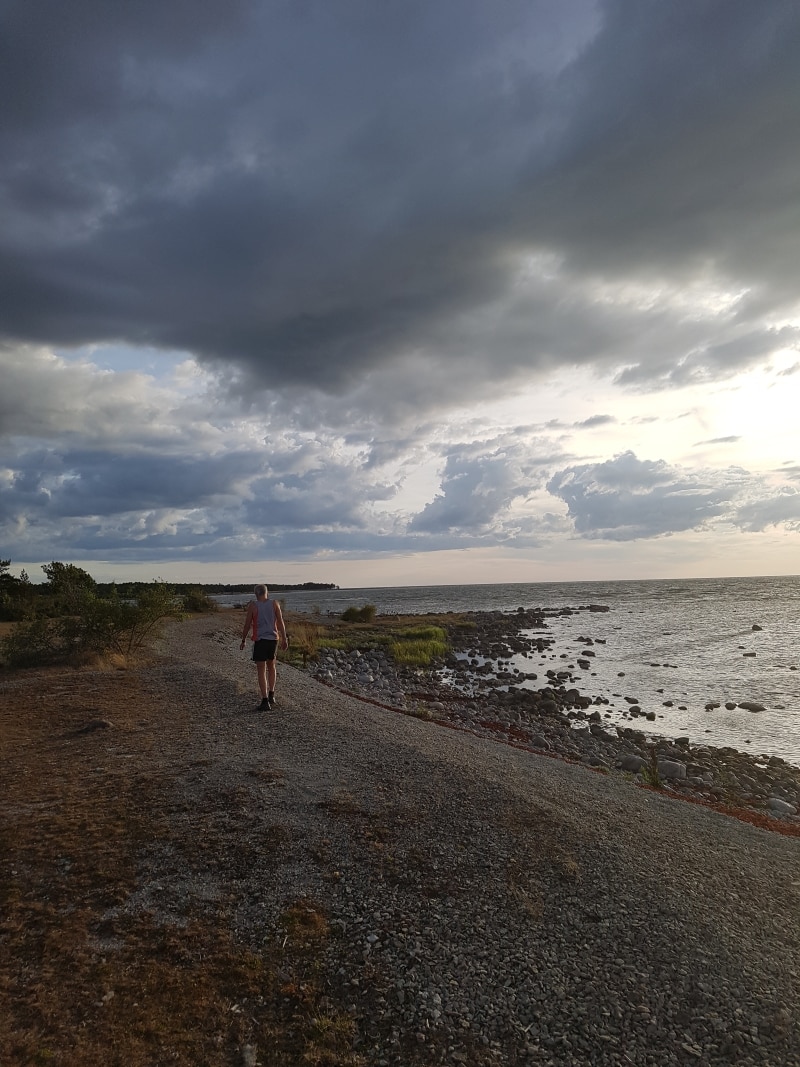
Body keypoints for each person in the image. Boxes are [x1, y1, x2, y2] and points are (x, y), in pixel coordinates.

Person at [240, 584, 288, 710]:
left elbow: (247, 625)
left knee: (261, 670)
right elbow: (281, 622)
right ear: (267, 592)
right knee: (271, 666)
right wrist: (284, 638)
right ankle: (272, 694)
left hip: (260, 640)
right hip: (273, 640)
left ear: (256, 594)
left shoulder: (253, 606)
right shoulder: (274, 604)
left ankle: (265, 700)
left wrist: (243, 639)